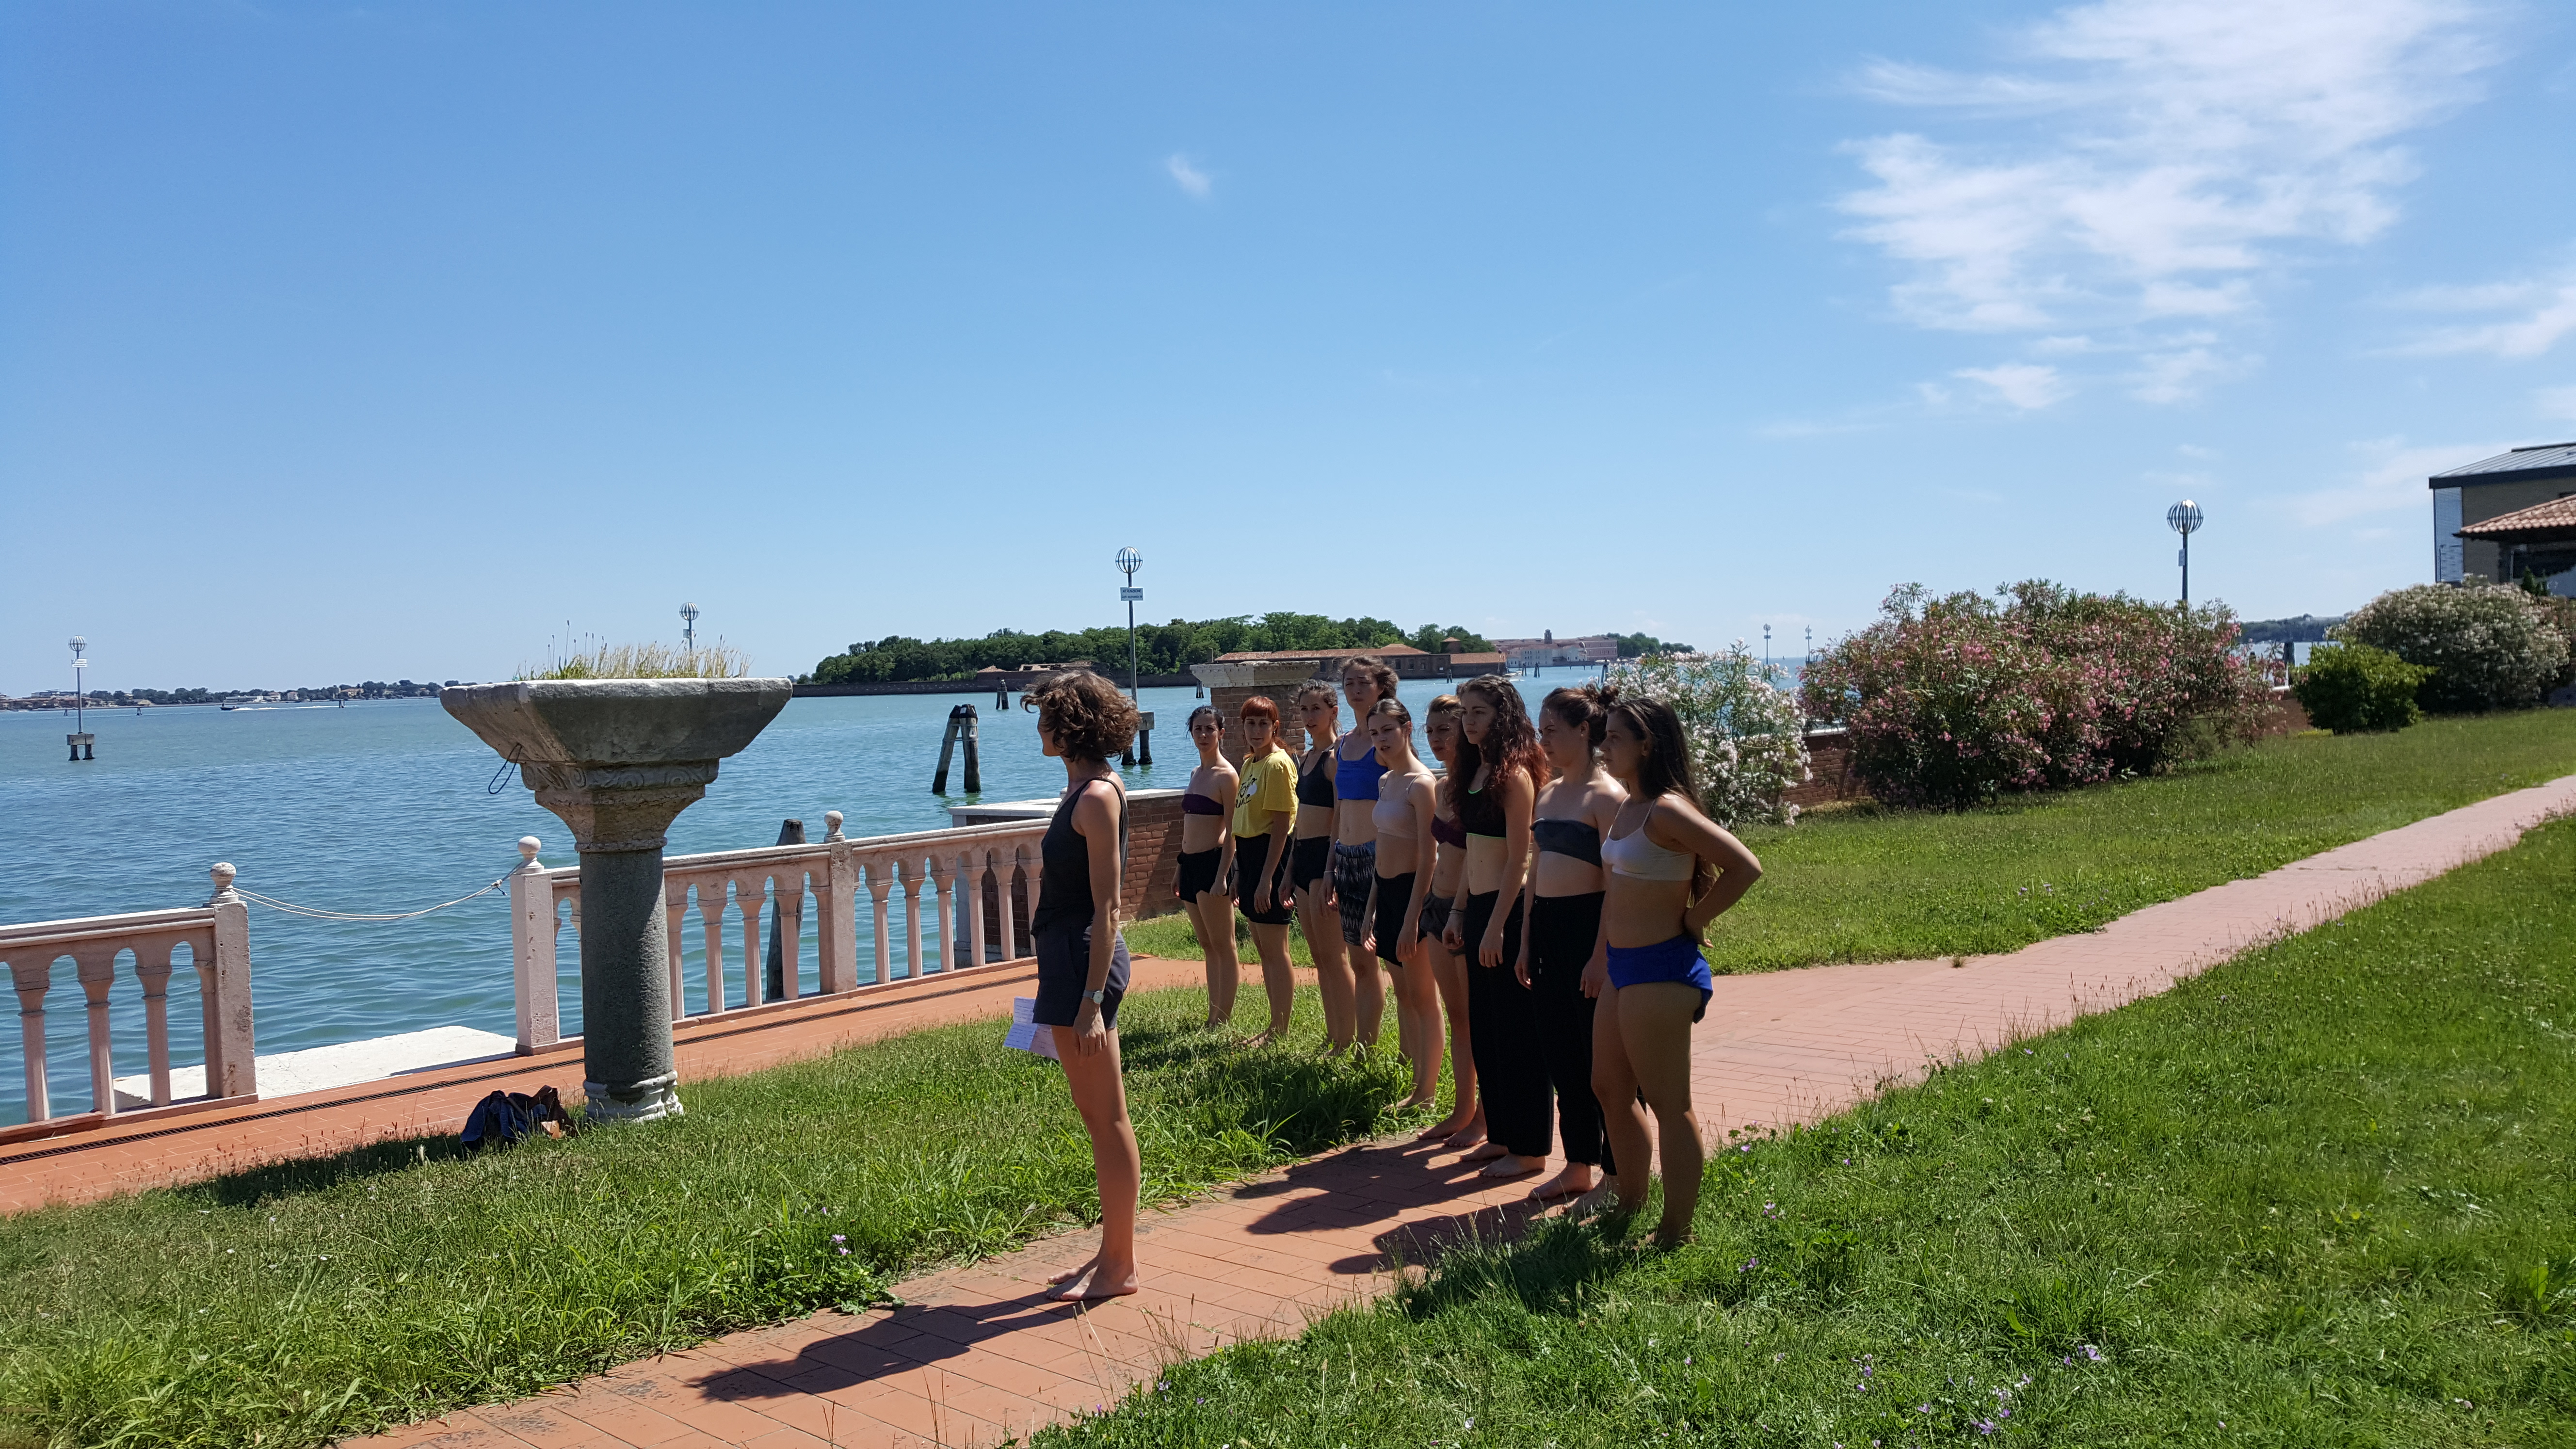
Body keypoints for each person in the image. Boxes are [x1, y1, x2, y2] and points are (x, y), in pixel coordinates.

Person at [1588, 695, 1763, 1247]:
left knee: (1669, 1102)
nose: (1603, 746)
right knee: (1609, 1088)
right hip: (1620, 966)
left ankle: (1676, 1230)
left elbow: (1745, 866)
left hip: (1661, 966)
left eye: (1615, 737)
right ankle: (1630, 1202)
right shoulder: (1628, 805)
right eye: (1604, 736)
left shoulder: (1667, 810)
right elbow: (1616, 890)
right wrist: (1599, 955)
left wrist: (1694, 917)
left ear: (1647, 745)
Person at [1021, 671, 1143, 1299]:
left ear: (1071, 726)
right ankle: (1109, 1255)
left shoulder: (1095, 797)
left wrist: (1093, 1002)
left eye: (1047, 717)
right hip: (1068, 958)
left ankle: (1119, 1267)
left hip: (1083, 961)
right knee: (1097, 1116)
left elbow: (1108, 907)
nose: (1040, 728)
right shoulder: (1089, 789)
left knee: (1107, 1117)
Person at [1441, 674, 1551, 1179]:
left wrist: (1497, 926)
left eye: (1479, 712)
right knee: (1485, 1029)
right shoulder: (1475, 769)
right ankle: (1501, 1135)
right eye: (1465, 712)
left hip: (1509, 910)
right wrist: (1460, 911)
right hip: (1479, 908)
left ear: (1502, 716)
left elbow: (1519, 858)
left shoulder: (1515, 775)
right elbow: (1472, 851)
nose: (1469, 721)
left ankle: (1529, 1149)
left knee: (1516, 1032)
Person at [1520, 684, 1626, 1203]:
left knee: (1600, 1060)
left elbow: (1616, 883)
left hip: (1589, 930)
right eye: (1540, 731)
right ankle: (1578, 1163)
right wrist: (1524, 940)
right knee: (1561, 1053)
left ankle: (1617, 1172)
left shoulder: (1607, 797)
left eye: (1552, 731)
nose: (1543, 741)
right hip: (1546, 928)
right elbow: (1534, 872)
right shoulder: (1546, 793)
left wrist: (1601, 953)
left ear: (1584, 731)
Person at [1364, 697, 1441, 1110]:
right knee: (1405, 994)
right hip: (1388, 894)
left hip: (1416, 894)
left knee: (1424, 997)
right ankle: (1413, 1074)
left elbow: (1430, 857)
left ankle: (1427, 1091)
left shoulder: (1421, 784)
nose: (1381, 740)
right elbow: (1383, 851)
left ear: (1407, 729)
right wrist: (1372, 909)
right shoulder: (1385, 781)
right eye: (1375, 733)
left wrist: (1414, 916)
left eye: (1388, 731)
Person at [1416, 693, 1482, 1147]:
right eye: (1431, 731)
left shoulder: (1483, 786)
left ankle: (1487, 1117)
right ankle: (1463, 1110)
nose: (1437, 739)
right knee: (1458, 1016)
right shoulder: (1441, 787)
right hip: (1437, 906)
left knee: (1482, 1019)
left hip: (1468, 908)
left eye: (1446, 729)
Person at [1329, 656, 1398, 1048]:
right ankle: (1364, 1048)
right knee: (1359, 961)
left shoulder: (1386, 743)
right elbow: (1339, 809)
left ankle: (1408, 1056)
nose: (1355, 690)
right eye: (1349, 683)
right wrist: (1331, 866)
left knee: (1392, 961)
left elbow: (1408, 790)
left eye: (1363, 683)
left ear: (1381, 687)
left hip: (1379, 858)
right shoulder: (1343, 745)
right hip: (1347, 858)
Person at [1289, 683, 1357, 1052]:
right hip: (1302, 857)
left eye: (1316, 709)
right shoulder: (1306, 758)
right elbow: (1300, 820)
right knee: (1318, 957)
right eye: (1304, 709)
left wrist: (1331, 869)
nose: (1309, 716)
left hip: (1324, 860)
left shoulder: (1334, 759)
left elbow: (1340, 816)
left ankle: (1348, 1039)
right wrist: (1289, 872)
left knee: (1334, 956)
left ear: (1333, 711)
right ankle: (1334, 1034)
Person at [1230, 696, 1300, 1046]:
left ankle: (1281, 1029)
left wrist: (1267, 879)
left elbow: (1281, 824)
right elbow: (1242, 820)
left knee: (1276, 949)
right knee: (1262, 946)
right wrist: (1240, 872)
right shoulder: (1249, 764)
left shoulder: (1277, 764)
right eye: (1250, 723)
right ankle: (1274, 1024)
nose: (1256, 731)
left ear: (1275, 727)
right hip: (1248, 856)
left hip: (1270, 857)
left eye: (1263, 724)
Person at [1175, 705, 1240, 1030]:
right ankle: (1213, 1014)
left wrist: (1222, 876)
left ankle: (1223, 1018)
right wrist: (1179, 867)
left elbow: (1233, 831)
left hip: (1213, 865)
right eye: (1198, 729)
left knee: (1224, 945)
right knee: (1207, 945)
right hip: (1189, 865)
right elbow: (1189, 826)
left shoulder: (1227, 776)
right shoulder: (1195, 773)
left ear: (1221, 733)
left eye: (1209, 729)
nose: (1203, 735)